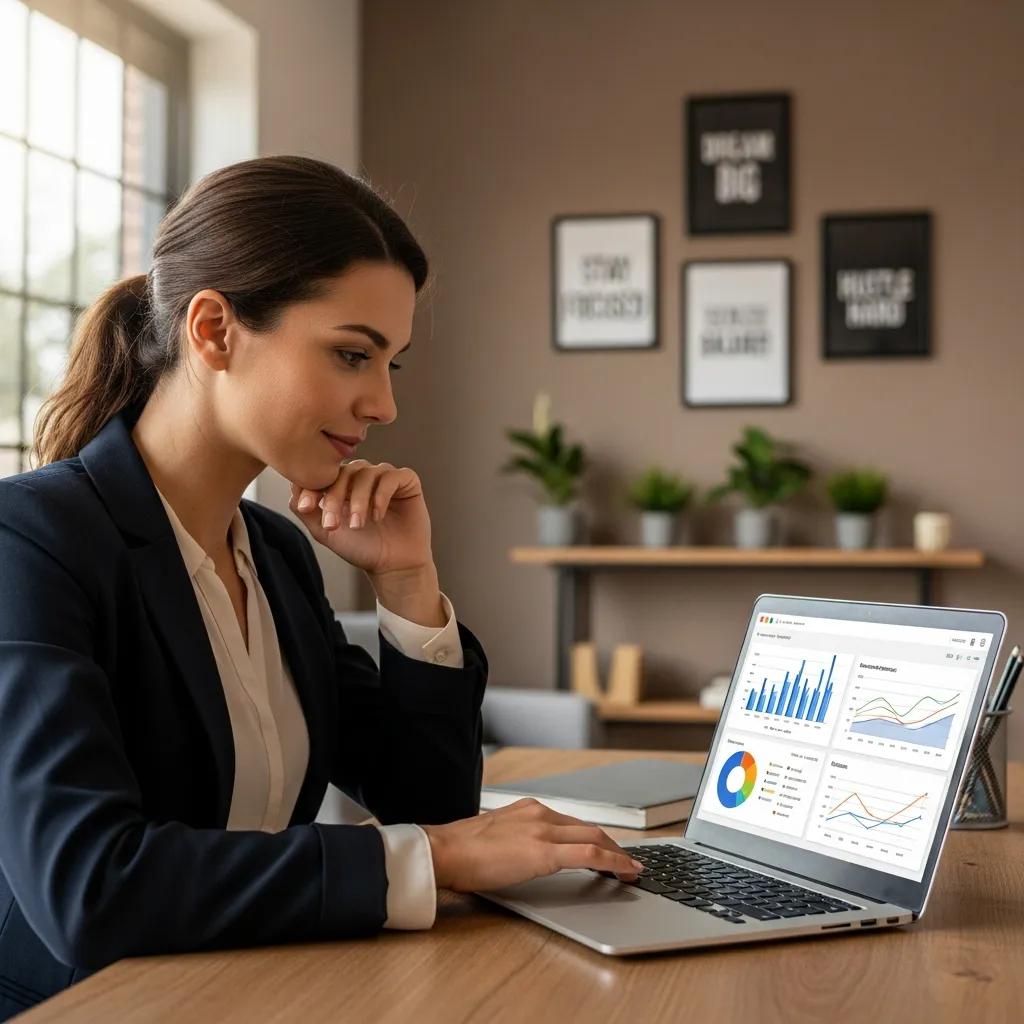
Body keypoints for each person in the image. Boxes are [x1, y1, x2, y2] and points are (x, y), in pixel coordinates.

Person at [0, 155, 643, 1018]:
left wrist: (408, 585)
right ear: (214, 329)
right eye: (351, 355)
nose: (382, 404)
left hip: (261, 987)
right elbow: (91, 888)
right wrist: (439, 860)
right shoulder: (32, 542)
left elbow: (426, 803)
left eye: (392, 365)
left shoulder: (276, 552)